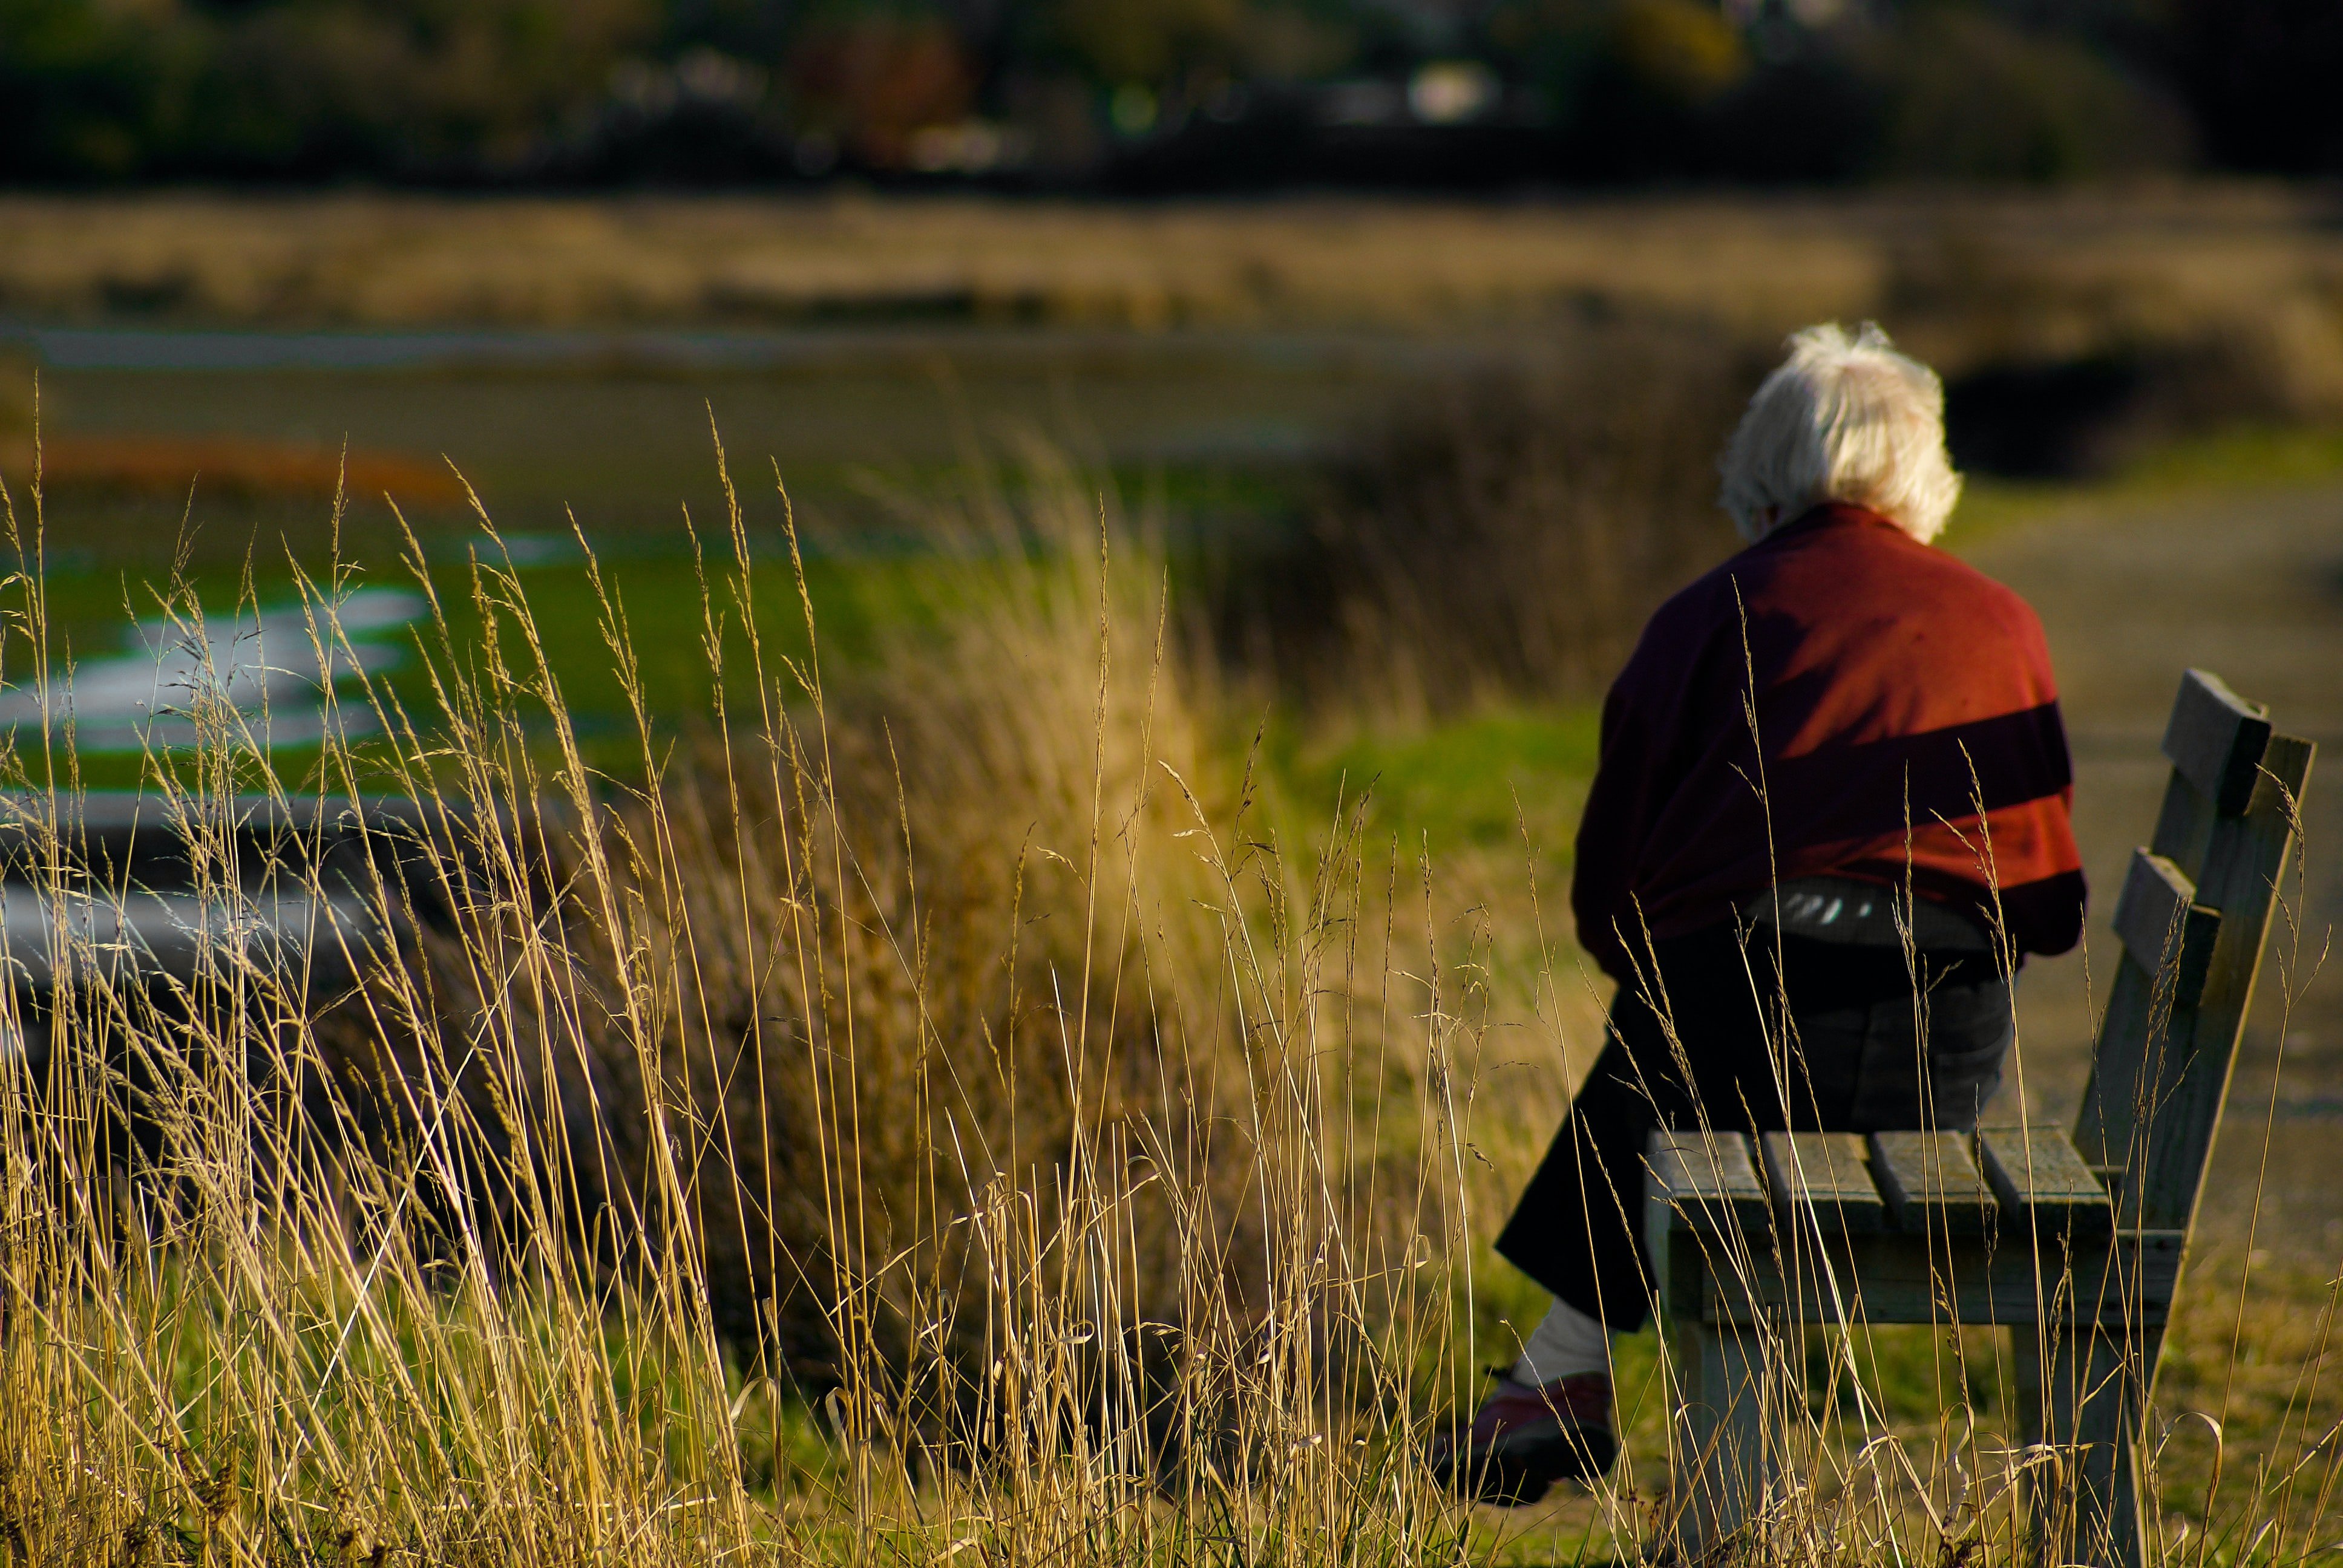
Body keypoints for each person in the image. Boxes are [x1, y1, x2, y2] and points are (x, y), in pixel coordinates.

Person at [1429, 323, 2086, 1506]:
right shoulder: (2002, 623)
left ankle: (1565, 1372)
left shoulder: (1699, 622)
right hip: (1937, 1075)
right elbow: (2047, 909)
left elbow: (1609, 901)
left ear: (1760, 470)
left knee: (1667, 1030)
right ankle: (1559, 1374)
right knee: (1680, 1030)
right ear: (1922, 470)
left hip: (1726, 1062)